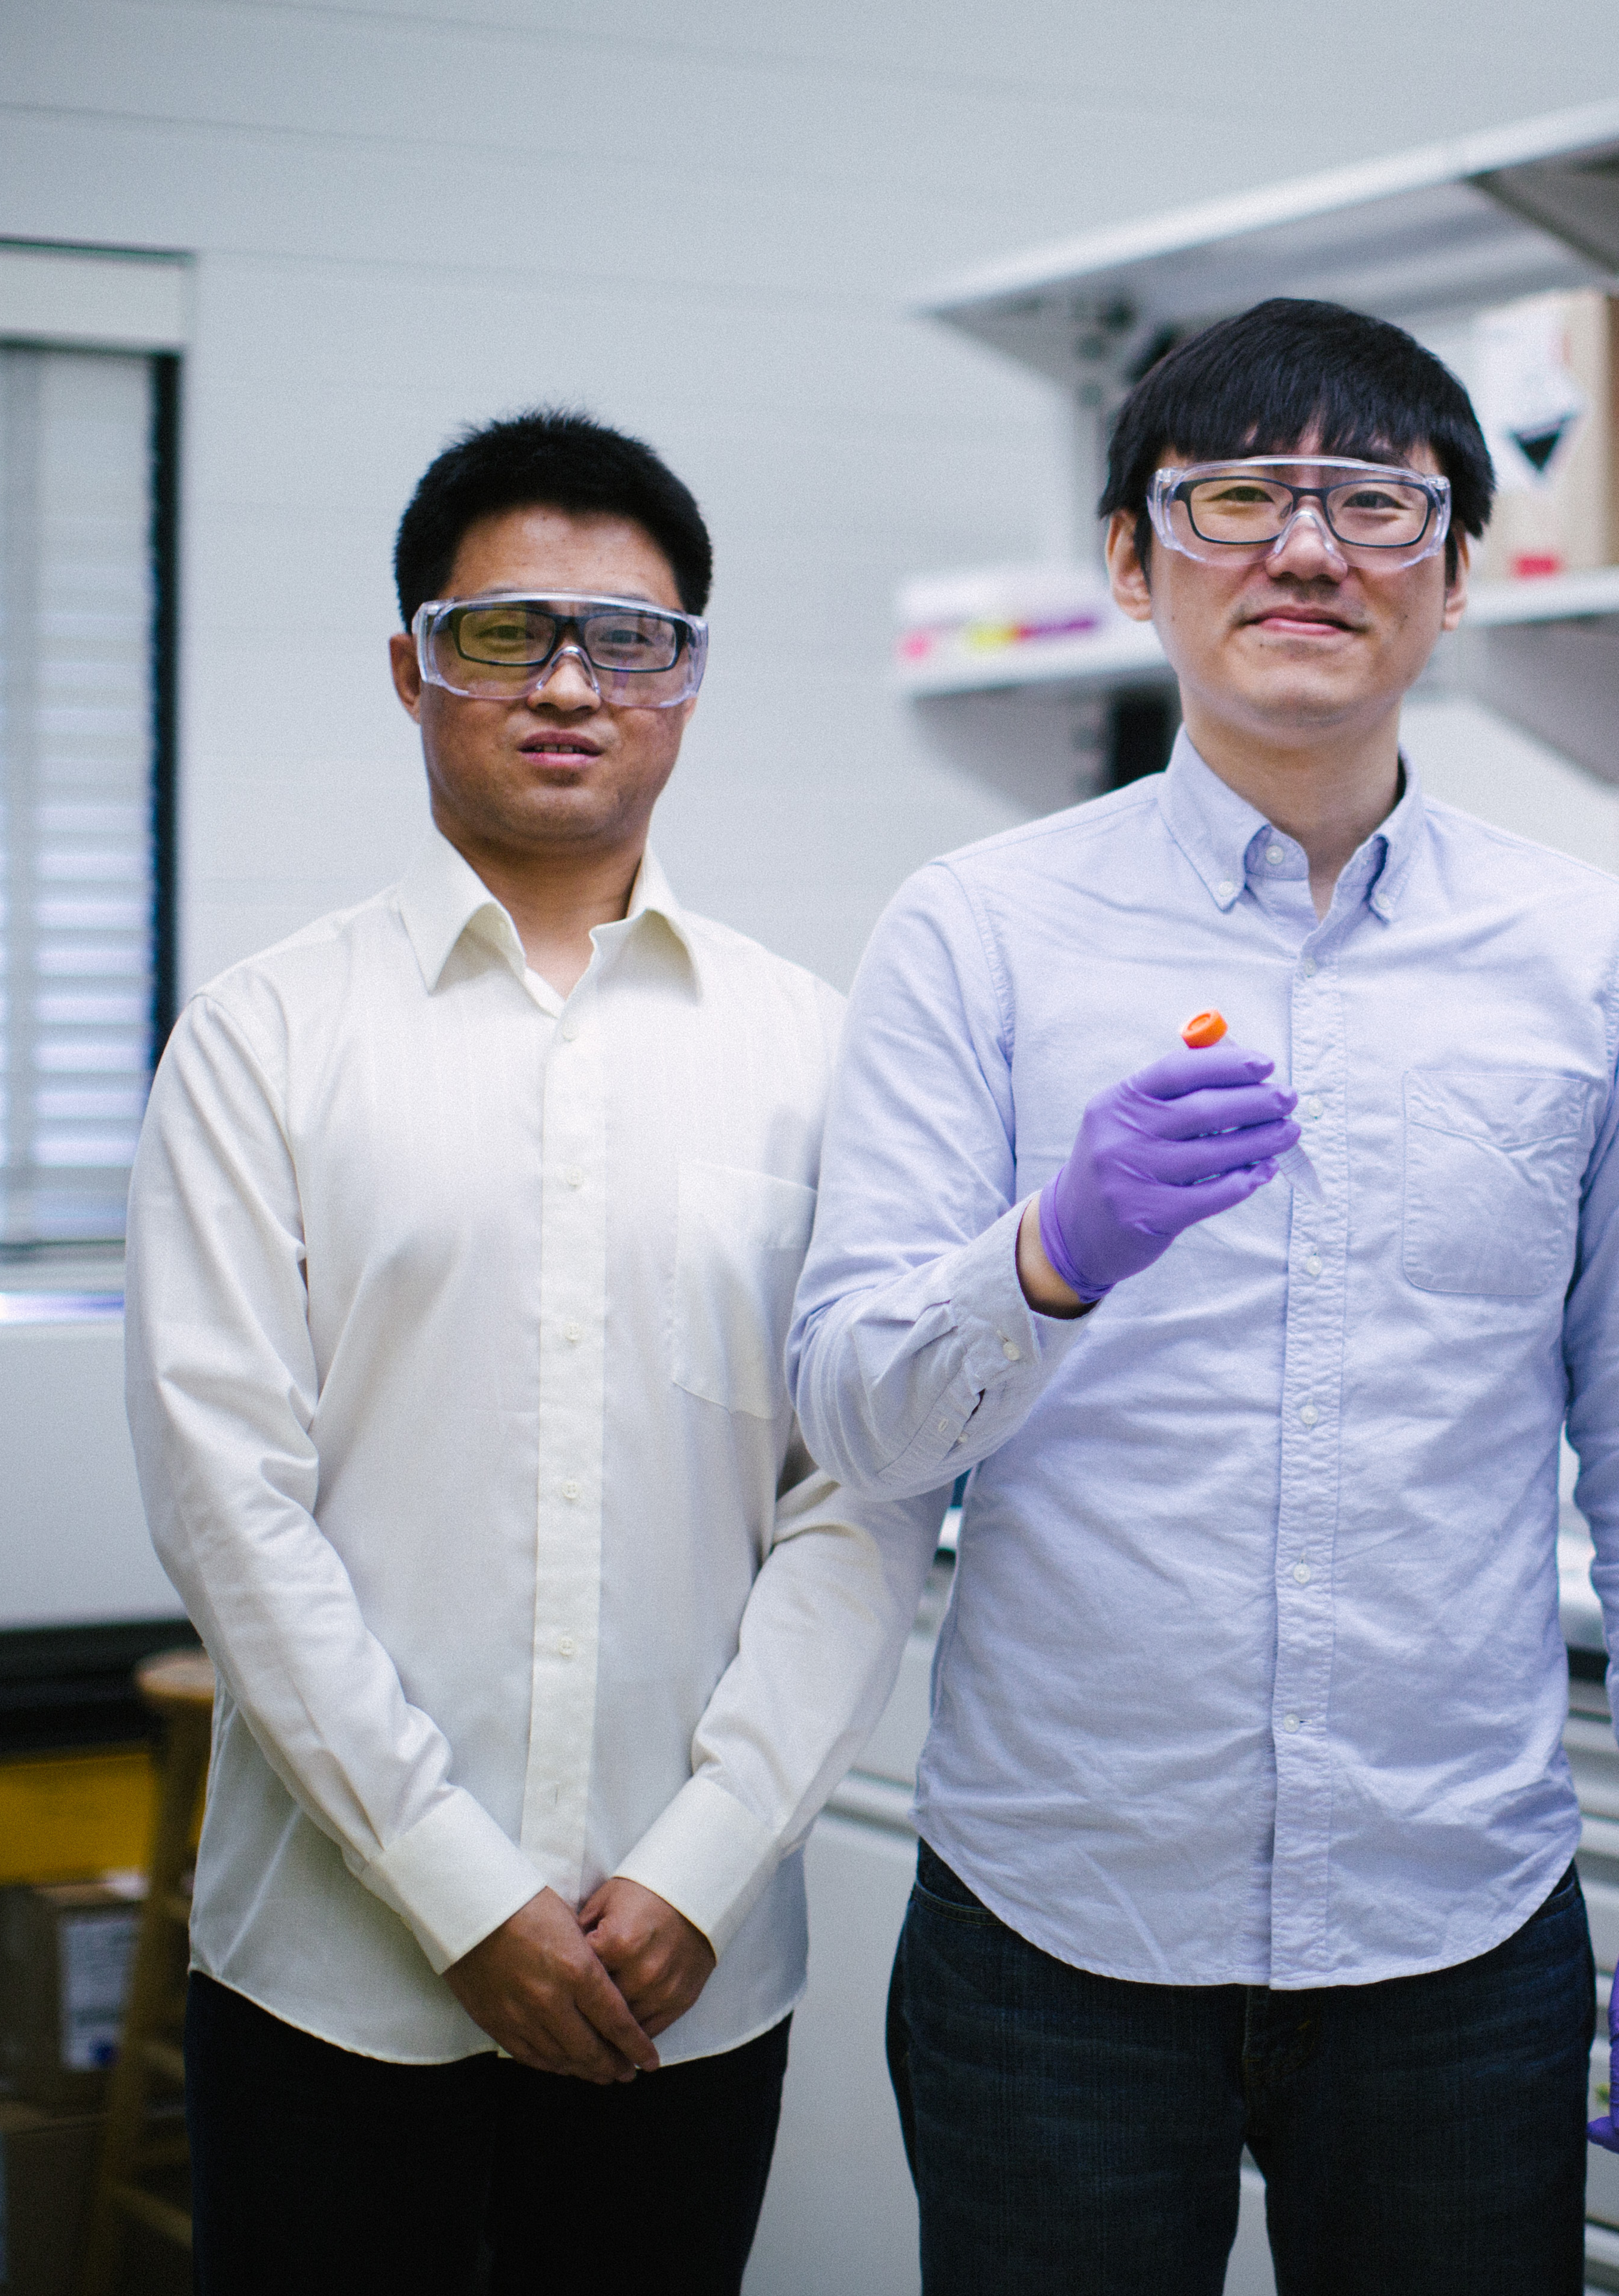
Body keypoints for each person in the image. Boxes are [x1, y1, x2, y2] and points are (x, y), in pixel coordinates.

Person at [791, 297, 1619, 2294]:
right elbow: (852, 1410)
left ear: (1458, 575)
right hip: (1058, 1918)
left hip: (1456, 1930)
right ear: (1133, 561)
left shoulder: (1594, 959)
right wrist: (1053, 1257)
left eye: (1379, 504)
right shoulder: (978, 936)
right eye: (1237, 498)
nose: (1309, 551)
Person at [126, 408, 942, 2292]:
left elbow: (862, 1494)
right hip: (337, 1973)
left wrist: (707, 1858)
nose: (569, 681)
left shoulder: (818, 1053)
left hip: (689, 1968)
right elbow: (224, 1503)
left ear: (690, 683)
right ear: (411, 669)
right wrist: (461, 1890)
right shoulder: (265, 1042)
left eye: (626, 637)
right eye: (506, 634)